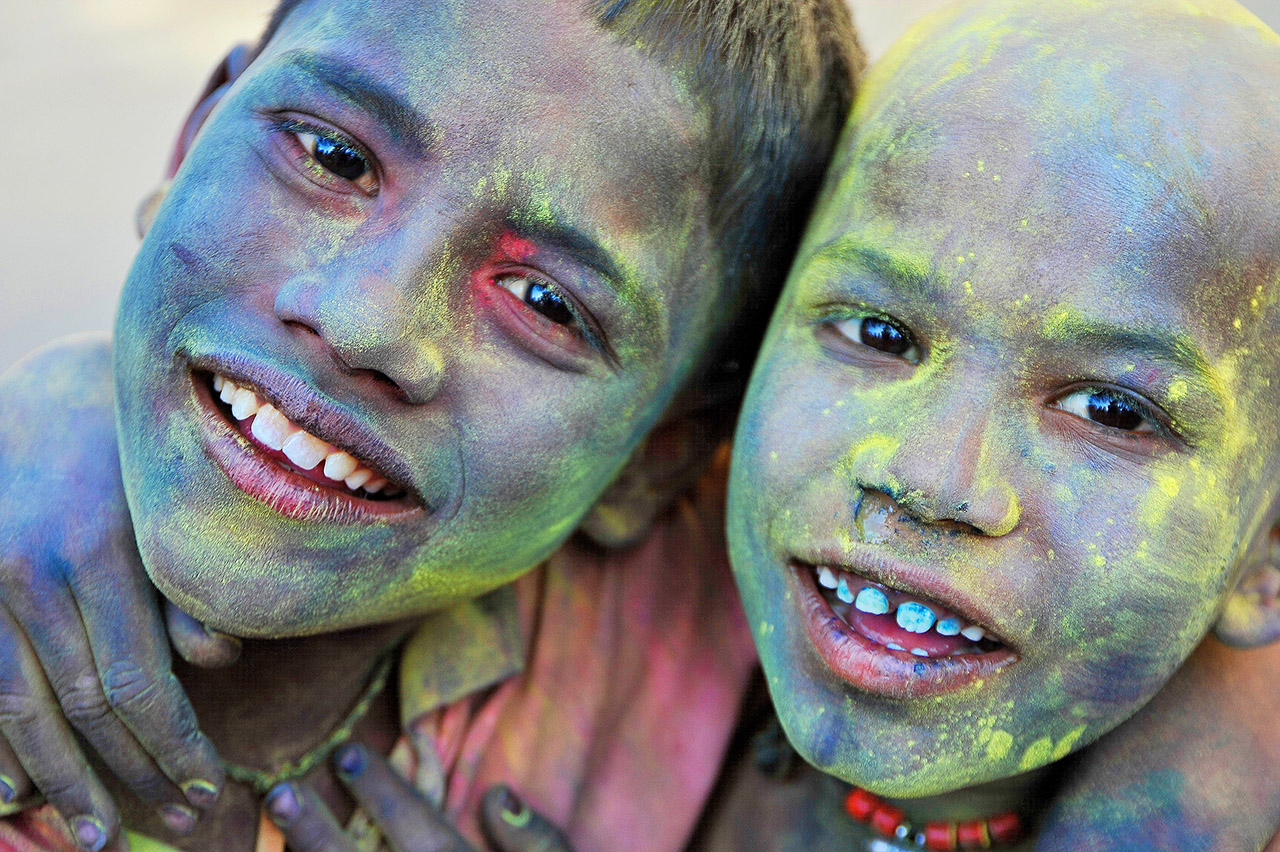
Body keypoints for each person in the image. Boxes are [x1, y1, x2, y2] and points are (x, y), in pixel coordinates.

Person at [0, 0, 861, 849]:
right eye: (334, 157)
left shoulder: (722, 628)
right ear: (195, 136)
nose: (364, 321)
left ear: (661, 453)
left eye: (544, 302)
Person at [708, 0, 1280, 849]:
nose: (932, 479)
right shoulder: (614, 593)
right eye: (880, 334)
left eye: (1111, 410)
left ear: (1269, 551)